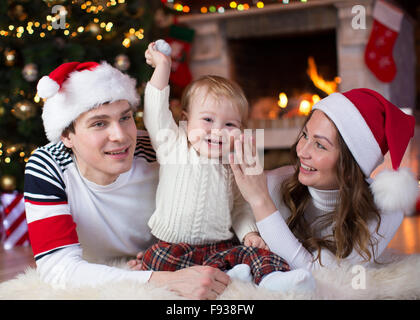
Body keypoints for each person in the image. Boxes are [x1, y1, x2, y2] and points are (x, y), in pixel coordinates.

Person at [24, 61, 231, 300]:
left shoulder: (158, 150)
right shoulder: (49, 166)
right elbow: (56, 268)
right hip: (134, 274)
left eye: (125, 118)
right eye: (99, 123)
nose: (120, 136)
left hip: (171, 256)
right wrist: (167, 281)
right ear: (66, 135)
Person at [136, 41, 316, 293]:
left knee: (254, 254)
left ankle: (274, 281)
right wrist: (163, 66)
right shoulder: (174, 145)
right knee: (154, 265)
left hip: (218, 246)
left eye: (230, 124)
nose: (218, 131)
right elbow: (155, 110)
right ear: (186, 121)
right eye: (208, 119)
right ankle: (236, 276)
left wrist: (249, 234)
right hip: (172, 248)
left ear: (240, 130)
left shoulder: (232, 164)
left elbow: (240, 208)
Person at [229, 88, 418, 271]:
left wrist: (261, 202)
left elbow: (323, 277)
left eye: (320, 145)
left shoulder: (384, 212)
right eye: (304, 135)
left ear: (349, 167)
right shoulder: (275, 183)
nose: (301, 151)